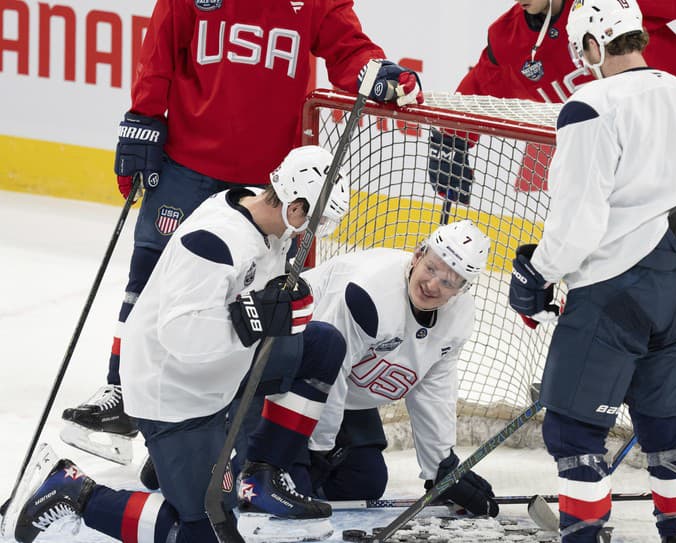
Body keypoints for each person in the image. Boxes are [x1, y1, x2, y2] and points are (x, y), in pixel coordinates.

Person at [60, 0, 423, 465]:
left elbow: (347, 47)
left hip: (271, 182)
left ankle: (210, 418)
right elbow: (161, 50)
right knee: (149, 273)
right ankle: (122, 391)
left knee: (253, 299)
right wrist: (144, 119)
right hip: (186, 161)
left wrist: (374, 71)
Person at [507, 0, 676, 541]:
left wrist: (539, 273)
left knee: (573, 431)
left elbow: (578, 221)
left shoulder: (590, 104)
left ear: (594, 45)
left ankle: (586, 534)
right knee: (667, 428)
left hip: (614, 294)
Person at [13, 146, 352, 543]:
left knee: (321, 345)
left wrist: (274, 307)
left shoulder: (263, 214)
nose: (319, 227)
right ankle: (76, 492)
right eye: (320, 219)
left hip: (224, 370)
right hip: (173, 391)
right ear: (295, 209)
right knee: (206, 533)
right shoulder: (216, 241)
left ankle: (261, 474)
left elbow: (252, 305)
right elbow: (182, 335)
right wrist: (255, 317)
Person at [427, 0, 676, 205]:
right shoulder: (507, 38)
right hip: (620, 169)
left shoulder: (608, 4)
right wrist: (450, 140)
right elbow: (481, 85)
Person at [299, 219, 500, 517]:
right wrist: (318, 449)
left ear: (461, 289)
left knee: (363, 482)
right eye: (431, 268)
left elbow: (434, 389)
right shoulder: (370, 293)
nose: (432, 285)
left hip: (344, 397)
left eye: (447, 282)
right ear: (418, 255)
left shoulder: (458, 318)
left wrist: (440, 468)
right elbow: (330, 370)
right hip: (288, 382)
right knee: (281, 481)